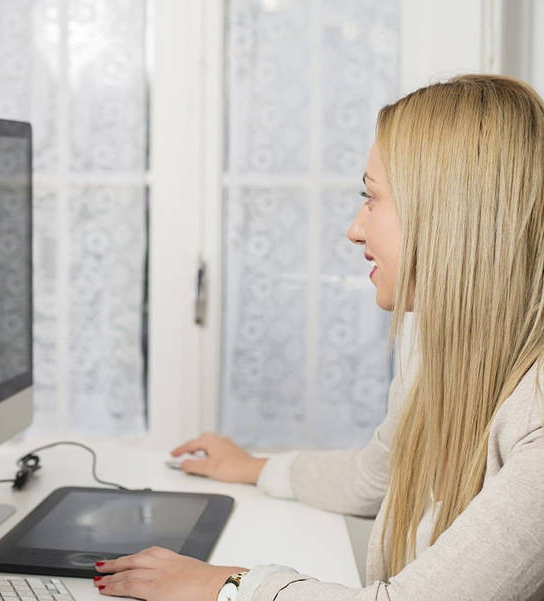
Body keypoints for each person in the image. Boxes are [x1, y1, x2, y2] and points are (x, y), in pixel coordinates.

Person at [94, 74, 544, 600]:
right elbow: (375, 477)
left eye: (372, 199)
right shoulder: (433, 340)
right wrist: (253, 467)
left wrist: (225, 587)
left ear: (448, 215)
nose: (355, 228)